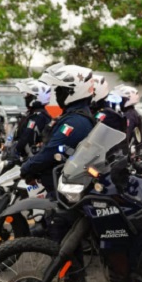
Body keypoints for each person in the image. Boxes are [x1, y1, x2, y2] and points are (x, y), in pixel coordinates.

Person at [20, 63, 96, 194]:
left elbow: (52, 150)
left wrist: (27, 168)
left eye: (60, 89)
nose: (56, 92)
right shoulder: (74, 116)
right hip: (59, 183)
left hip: (60, 191)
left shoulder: (75, 121)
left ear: (72, 91)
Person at [11, 79, 52, 159]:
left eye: (28, 95)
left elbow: (27, 134)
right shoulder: (32, 113)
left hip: (31, 156)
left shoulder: (38, 116)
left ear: (37, 97)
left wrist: (16, 150)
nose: (25, 97)